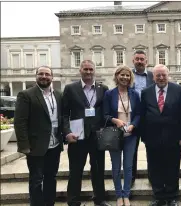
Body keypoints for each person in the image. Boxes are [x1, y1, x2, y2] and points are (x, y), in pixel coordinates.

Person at [63, 60, 110, 206]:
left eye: (91, 69)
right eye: (85, 69)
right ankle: (73, 201)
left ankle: (100, 199)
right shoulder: (70, 88)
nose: (88, 72)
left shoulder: (103, 88)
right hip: (77, 137)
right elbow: (64, 114)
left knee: (98, 169)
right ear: (80, 70)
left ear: (94, 70)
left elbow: (105, 112)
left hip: (97, 136)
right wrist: (67, 132)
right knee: (76, 171)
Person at [14, 66, 64, 206]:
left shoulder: (58, 95)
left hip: (54, 145)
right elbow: (20, 122)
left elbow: (62, 117)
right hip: (36, 146)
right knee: (36, 179)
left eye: (47, 74)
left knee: (51, 177)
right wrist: (24, 145)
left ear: (52, 77)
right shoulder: (26, 95)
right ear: (36, 76)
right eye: (40, 74)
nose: (44, 76)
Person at [140, 64, 181, 206]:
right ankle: (158, 196)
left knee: (172, 166)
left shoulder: (179, 90)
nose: (161, 78)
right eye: (158, 75)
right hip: (152, 137)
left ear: (168, 75)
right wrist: (144, 136)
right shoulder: (146, 92)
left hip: (173, 137)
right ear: (153, 76)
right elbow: (143, 115)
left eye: (163, 75)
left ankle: (172, 196)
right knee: (154, 167)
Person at [103, 65, 141, 206]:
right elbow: (104, 115)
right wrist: (115, 120)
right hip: (115, 135)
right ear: (117, 76)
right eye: (122, 75)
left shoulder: (135, 94)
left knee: (128, 166)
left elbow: (138, 114)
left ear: (130, 78)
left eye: (127, 75)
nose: (125, 77)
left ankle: (126, 194)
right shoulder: (109, 94)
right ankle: (118, 194)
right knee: (116, 166)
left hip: (131, 135)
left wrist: (134, 125)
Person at [131, 50, 154, 187]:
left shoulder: (152, 76)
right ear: (133, 61)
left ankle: (152, 177)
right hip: (132, 119)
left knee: (151, 149)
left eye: (142, 59)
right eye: (137, 59)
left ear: (146, 61)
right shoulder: (127, 75)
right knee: (131, 150)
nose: (139, 61)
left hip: (149, 119)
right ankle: (131, 177)